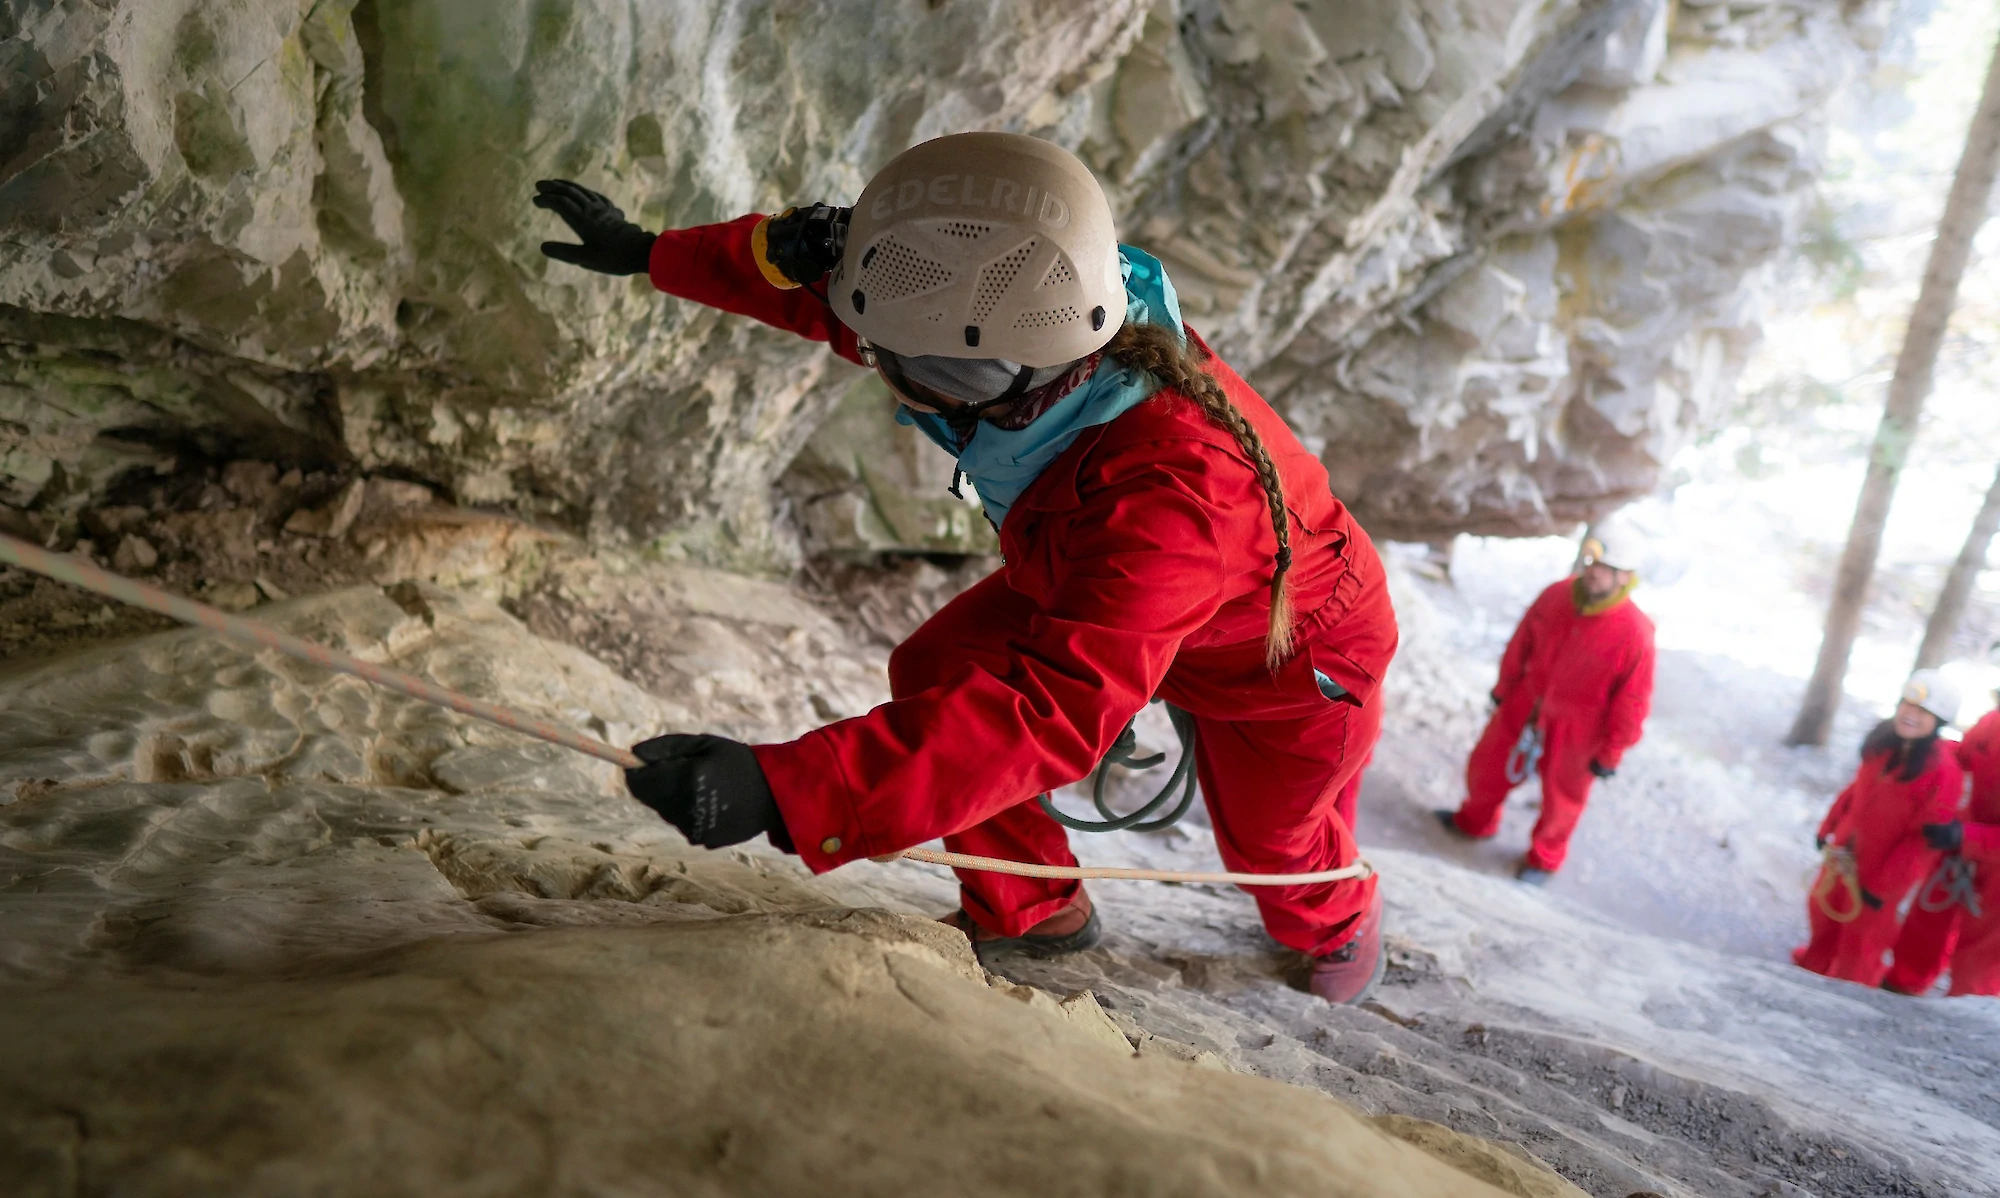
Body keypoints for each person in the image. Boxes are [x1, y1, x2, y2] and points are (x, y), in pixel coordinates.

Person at [532, 133, 1400, 1003]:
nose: (873, 362)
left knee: (1273, 845)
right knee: (941, 670)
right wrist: (654, 253)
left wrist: (791, 789)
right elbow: (893, 298)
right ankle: (1034, 910)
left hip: (1295, 663)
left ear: (978, 378)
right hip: (1123, 581)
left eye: (894, 364)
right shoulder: (1057, 316)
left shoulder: (1174, 501)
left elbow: (1048, 711)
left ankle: (1339, 922)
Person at [1434, 520, 1656, 883]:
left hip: (1580, 728)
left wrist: (1611, 752)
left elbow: (1633, 701)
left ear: (1625, 576)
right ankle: (1474, 823)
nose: (1593, 572)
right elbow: (1521, 643)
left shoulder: (1636, 632)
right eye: (1591, 563)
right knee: (1487, 766)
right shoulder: (1557, 595)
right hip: (1526, 702)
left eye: (1604, 568)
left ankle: (1543, 860)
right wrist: (1504, 688)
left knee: (1562, 801)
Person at [1793, 671, 1964, 987]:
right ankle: (1812, 969)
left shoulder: (1943, 772)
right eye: (1907, 704)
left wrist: (1882, 887)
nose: (1910, 715)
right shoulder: (1884, 744)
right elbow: (1855, 790)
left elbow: (1921, 843)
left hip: (1882, 872)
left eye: (1923, 711)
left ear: (1939, 721)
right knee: (1823, 910)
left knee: (1862, 937)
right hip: (1845, 854)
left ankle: (1852, 993)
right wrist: (1828, 827)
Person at [1884, 664, 1998, 997]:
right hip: (1964, 838)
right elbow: (1964, 755)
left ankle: (1969, 1010)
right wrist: (1923, 745)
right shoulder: (1993, 721)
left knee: (1986, 949)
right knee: (1929, 916)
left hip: (1983, 850)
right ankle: (1903, 982)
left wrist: (1967, 837)